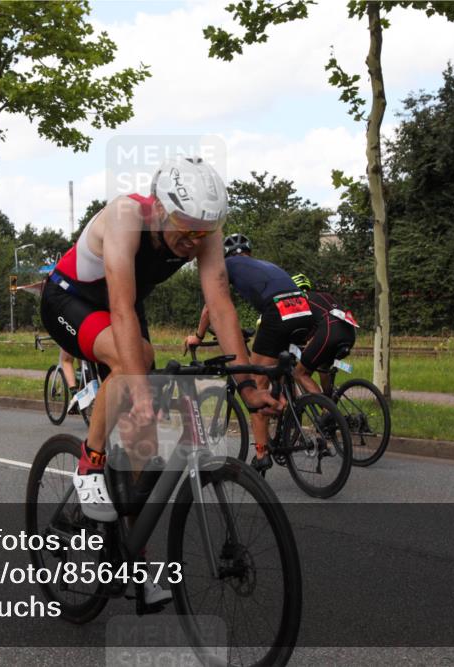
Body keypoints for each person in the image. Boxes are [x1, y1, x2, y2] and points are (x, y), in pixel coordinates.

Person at [40, 157, 280, 520]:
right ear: (160, 209)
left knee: (142, 440)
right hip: (70, 298)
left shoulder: (203, 232)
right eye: (185, 228)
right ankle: (90, 465)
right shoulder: (126, 217)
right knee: (131, 364)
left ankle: (130, 557)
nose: (192, 240)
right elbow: (120, 308)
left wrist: (246, 388)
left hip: (125, 307)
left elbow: (220, 307)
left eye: (202, 232)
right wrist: (138, 389)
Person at [184, 234, 311, 475]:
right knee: (279, 371)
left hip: (277, 312)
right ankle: (291, 414)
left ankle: (262, 454)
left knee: (256, 383)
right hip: (303, 309)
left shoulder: (227, 266)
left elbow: (213, 306)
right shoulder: (265, 265)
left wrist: (198, 337)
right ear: (249, 253)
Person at [285, 272, 359, 400]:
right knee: (323, 366)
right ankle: (331, 409)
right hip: (350, 331)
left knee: (299, 373)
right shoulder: (325, 295)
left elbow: (297, 327)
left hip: (330, 330)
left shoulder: (300, 300)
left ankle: (328, 410)